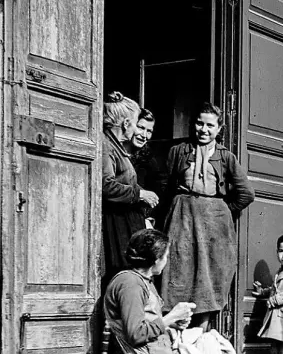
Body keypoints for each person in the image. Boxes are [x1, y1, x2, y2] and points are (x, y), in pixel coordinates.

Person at [103, 229, 243, 354]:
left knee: (216, 353)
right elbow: (135, 334)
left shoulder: (143, 281)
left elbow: (148, 321)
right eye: (166, 256)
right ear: (156, 260)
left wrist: (174, 324)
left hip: (155, 350)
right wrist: (171, 317)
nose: (166, 261)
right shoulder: (130, 284)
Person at [162, 103, 254, 331]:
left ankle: (200, 332)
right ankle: (175, 330)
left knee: (210, 270)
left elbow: (246, 193)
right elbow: (165, 185)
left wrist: (222, 210)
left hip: (213, 223)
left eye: (210, 125)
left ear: (219, 128)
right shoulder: (179, 151)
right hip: (182, 217)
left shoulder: (226, 157)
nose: (204, 129)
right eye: (199, 123)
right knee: (179, 266)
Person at [101, 92, 159, 284]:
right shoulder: (107, 147)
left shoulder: (117, 148)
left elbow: (124, 180)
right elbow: (106, 185)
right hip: (117, 224)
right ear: (126, 124)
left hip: (127, 221)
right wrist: (140, 194)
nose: (137, 131)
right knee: (122, 274)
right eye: (136, 125)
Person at [126, 107, 167, 230]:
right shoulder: (117, 154)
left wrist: (148, 218)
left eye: (149, 131)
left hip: (137, 218)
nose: (144, 135)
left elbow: (158, 194)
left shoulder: (149, 161)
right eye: (141, 128)